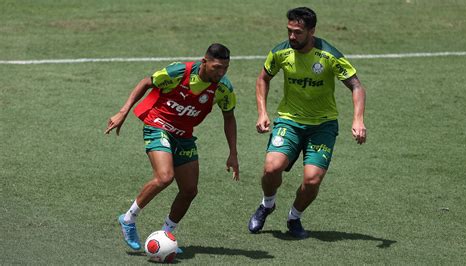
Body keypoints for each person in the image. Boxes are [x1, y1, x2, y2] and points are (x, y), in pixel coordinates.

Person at [105, 43, 239, 251]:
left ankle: (166, 234)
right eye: (216, 68)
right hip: (157, 125)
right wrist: (123, 112)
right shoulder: (179, 72)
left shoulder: (223, 88)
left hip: (184, 136)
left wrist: (233, 153)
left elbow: (229, 117)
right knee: (165, 177)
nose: (221, 73)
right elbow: (146, 82)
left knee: (189, 190)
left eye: (225, 68)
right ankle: (129, 219)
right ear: (204, 62)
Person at [248, 7, 367, 239]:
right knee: (271, 168)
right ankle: (267, 204)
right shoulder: (280, 52)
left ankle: (294, 217)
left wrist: (358, 118)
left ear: (311, 31)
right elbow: (263, 79)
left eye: (298, 32)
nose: (292, 37)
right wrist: (262, 112)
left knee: (312, 181)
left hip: (323, 126)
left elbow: (356, 86)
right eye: (289, 31)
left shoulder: (329, 55)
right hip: (289, 121)